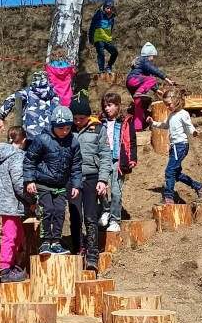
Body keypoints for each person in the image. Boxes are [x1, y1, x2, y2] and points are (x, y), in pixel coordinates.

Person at [23, 106, 82, 256]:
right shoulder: (42, 139)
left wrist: (76, 184)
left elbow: (76, 166)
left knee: (60, 212)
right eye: (60, 128)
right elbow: (30, 160)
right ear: (53, 126)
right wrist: (29, 180)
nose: (64, 131)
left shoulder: (73, 143)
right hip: (43, 184)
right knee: (47, 211)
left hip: (61, 185)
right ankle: (44, 242)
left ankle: (56, 241)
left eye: (68, 128)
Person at [68, 93, 112, 271]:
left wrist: (103, 179)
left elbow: (105, 155)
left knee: (91, 216)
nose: (78, 121)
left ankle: (92, 253)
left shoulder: (98, 129)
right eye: (75, 118)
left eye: (82, 118)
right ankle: (78, 248)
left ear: (88, 116)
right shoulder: (66, 129)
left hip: (92, 177)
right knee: (75, 215)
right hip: (73, 179)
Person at [0, 126, 29, 283]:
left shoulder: (0, 154)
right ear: (23, 140)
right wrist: (30, 199)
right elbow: (19, 183)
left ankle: (12, 264)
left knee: (17, 233)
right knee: (10, 234)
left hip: (2, 201)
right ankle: (4, 269)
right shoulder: (17, 156)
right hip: (11, 202)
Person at [147, 88, 202, 204]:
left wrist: (194, 132)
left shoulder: (183, 114)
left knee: (169, 171)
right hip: (174, 147)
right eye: (165, 105)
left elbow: (189, 126)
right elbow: (165, 125)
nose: (167, 107)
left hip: (181, 146)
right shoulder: (171, 115)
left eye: (168, 104)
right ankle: (199, 187)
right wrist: (153, 123)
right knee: (176, 174)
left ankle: (168, 197)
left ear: (177, 101)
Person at [98, 91, 138, 233]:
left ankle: (115, 220)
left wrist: (132, 158)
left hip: (118, 160)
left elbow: (132, 141)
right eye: (105, 106)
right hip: (102, 160)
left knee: (116, 191)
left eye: (109, 105)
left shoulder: (126, 121)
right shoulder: (99, 122)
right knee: (101, 190)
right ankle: (105, 210)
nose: (107, 109)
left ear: (118, 105)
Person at [0, 70, 60, 140]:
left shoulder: (27, 92)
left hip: (30, 137)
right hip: (49, 137)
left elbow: (11, 99)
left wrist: (0, 116)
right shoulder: (54, 95)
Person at [126, 42, 175, 131]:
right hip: (134, 80)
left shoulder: (140, 62)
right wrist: (166, 78)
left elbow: (146, 79)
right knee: (153, 79)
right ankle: (139, 93)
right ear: (149, 55)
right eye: (153, 56)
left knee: (138, 105)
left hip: (131, 83)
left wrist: (156, 90)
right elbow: (154, 71)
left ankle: (138, 127)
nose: (153, 59)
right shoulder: (143, 60)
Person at [88, 0, 118, 73]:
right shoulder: (99, 15)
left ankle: (108, 67)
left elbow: (110, 29)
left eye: (111, 8)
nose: (109, 9)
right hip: (98, 38)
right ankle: (101, 70)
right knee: (101, 52)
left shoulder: (112, 18)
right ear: (104, 7)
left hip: (107, 39)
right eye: (107, 7)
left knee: (115, 52)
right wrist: (91, 38)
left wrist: (110, 38)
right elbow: (92, 26)